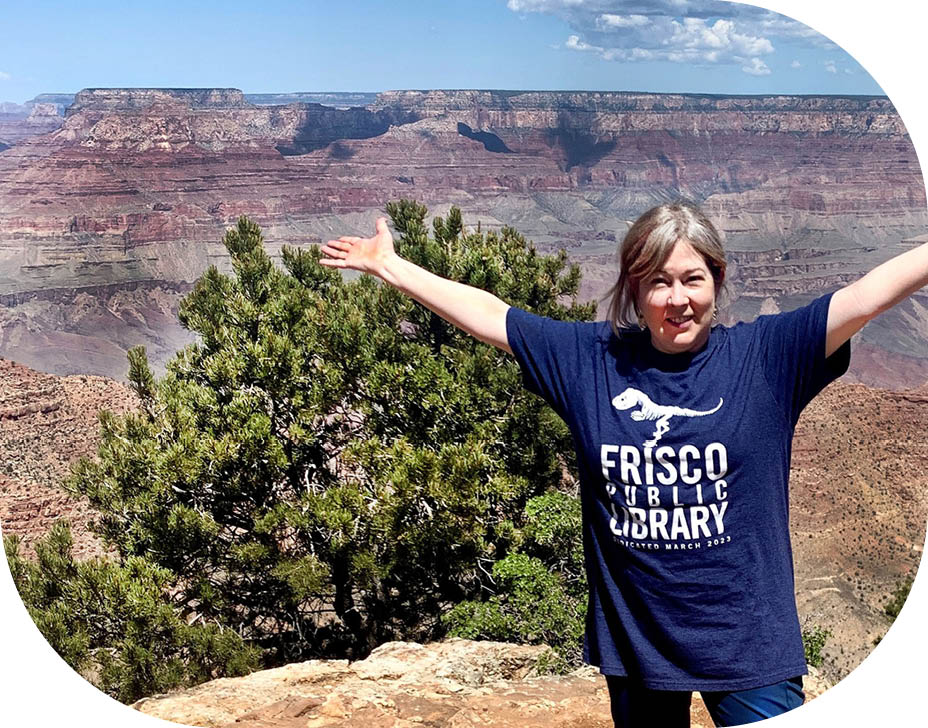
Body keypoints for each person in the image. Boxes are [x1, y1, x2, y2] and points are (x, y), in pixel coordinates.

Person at [320, 202, 928, 727]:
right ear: (634, 290)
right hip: (639, 646)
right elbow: (492, 316)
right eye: (658, 282)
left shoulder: (768, 355)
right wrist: (390, 266)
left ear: (716, 280)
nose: (678, 299)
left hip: (748, 641)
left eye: (693, 279)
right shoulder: (591, 360)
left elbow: (867, 295)